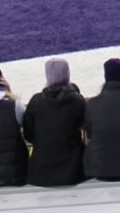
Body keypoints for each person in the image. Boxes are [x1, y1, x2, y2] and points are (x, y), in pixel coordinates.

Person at [23, 58, 85, 187]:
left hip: (41, 171)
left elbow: (28, 133)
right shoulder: (78, 100)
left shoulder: (36, 101)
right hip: (73, 171)